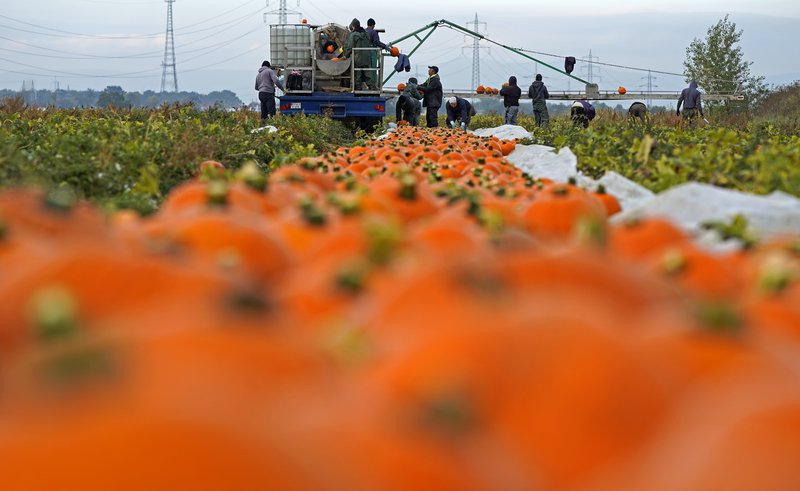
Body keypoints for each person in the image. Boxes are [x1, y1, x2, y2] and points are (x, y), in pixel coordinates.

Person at [343, 18, 372, 90]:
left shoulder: (353, 35)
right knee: (368, 73)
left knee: (357, 74)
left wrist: (346, 55)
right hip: (367, 57)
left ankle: (358, 88)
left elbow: (350, 47)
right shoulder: (366, 34)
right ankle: (372, 88)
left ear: (353, 27)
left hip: (358, 58)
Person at [365, 19, 389, 90]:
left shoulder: (363, 32)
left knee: (365, 69)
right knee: (373, 69)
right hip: (371, 52)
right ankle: (373, 85)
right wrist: (385, 46)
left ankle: (365, 84)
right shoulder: (373, 32)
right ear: (373, 25)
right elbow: (376, 42)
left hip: (363, 53)